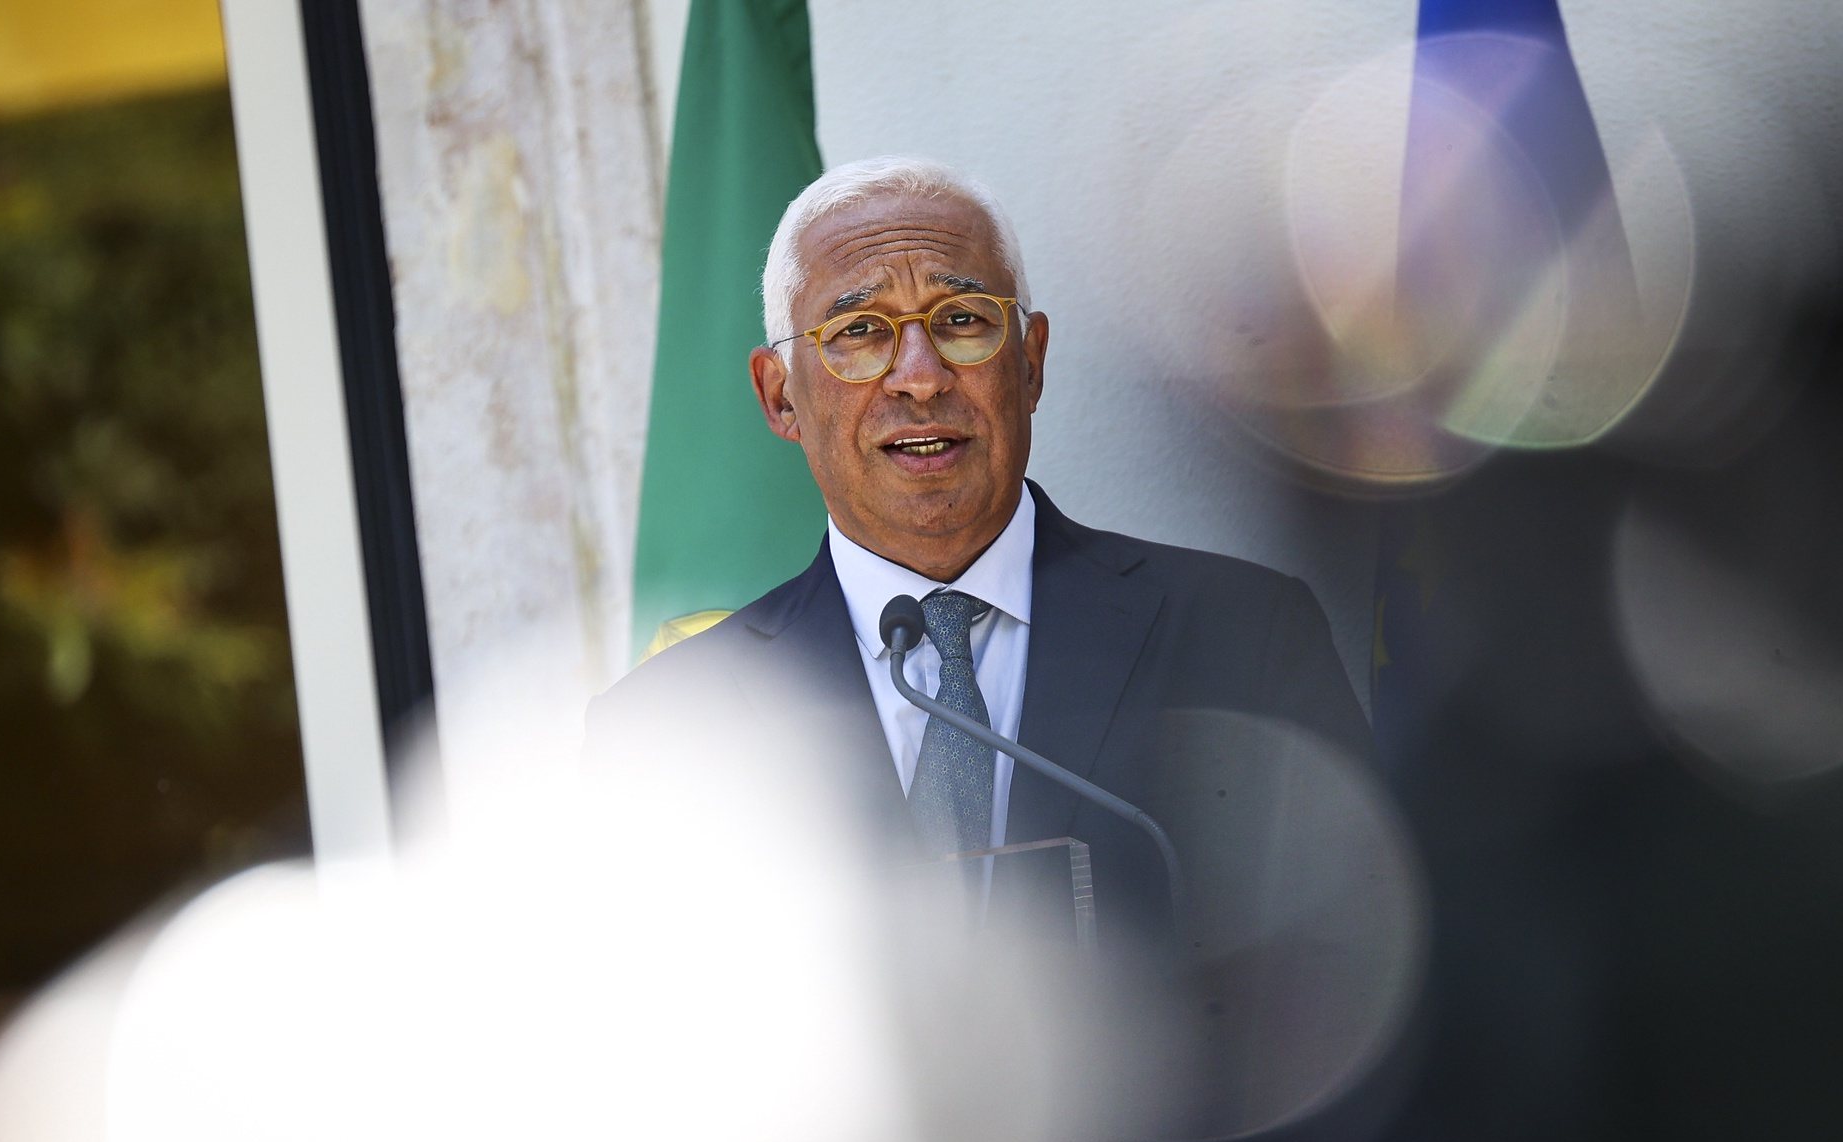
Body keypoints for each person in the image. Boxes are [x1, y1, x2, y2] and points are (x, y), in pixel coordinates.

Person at [586, 155, 1370, 951]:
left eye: (961, 320)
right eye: (858, 331)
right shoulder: (669, 728)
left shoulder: (1244, 636)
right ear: (781, 395)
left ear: (1029, 361)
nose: (920, 379)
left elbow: (1354, 970)